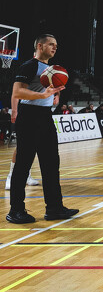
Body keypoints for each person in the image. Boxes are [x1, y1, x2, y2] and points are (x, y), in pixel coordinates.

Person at [6, 34, 78, 224]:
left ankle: (54, 208)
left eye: (56, 45)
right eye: (51, 44)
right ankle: (15, 210)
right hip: (29, 116)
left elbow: (45, 92)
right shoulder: (29, 66)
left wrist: (54, 95)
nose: (55, 47)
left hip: (45, 116)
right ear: (39, 46)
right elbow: (17, 92)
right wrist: (43, 95)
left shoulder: (51, 69)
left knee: (51, 164)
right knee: (23, 164)